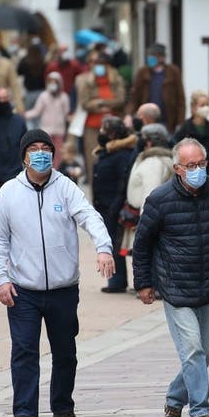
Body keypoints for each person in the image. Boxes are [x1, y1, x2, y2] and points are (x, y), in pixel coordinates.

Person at [0, 128, 116, 417]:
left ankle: (63, 408)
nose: (41, 152)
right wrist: (1, 279)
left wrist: (103, 248)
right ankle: (25, 414)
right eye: (34, 148)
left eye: (46, 147)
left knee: (65, 351)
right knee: (24, 351)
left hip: (62, 289)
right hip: (23, 290)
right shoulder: (9, 192)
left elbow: (89, 216)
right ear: (24, 156)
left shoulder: (66, 188)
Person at [132, 137, 209, 417]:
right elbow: (142, 246)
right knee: (193, 349)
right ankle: (200, 411)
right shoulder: (159, 200)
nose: (197, 170)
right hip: (175, 288)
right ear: (177, 168)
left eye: (201, 164)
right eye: (190, 165)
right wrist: (144, 283)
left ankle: (174, 399)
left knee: (203, 351)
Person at [120, 123, 174, 262]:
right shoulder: (155, 159)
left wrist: (144, 227)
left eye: (142, 137)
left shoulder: (153, 163)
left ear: (149, 141)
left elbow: (150, 195)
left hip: (146, 221)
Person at [92, 116, 133, 293]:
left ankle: (117, 281)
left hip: (113, 206)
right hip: (104, 205)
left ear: (114, 134)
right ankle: (115, 280)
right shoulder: (104, 152)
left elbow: (122, 183)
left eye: (104, 130)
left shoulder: (122, 155)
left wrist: (115, 206)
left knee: (116, 245)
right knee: (112, 243)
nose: (100, 133)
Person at [75, 50, 125, 195]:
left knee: (114, 158)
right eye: (96, 64)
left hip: (113, 128)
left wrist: (100, 102)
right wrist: (101, 104)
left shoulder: (116, 80)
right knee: (93, 160)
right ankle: (95, 192)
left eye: (102, 64)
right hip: (92, 126)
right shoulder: (86, 80)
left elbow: (120, 100)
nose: (99, 67)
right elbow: (84, 102)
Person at [126, 43, 186, 134]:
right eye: (149, 56)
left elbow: (180, 99)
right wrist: (129, 115)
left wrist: (180, 123)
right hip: (146, 120)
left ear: (162, 58)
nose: (150, 59)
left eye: (153, 56)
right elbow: (134, 97)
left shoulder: (173, 72)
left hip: (168, 121)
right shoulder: (142, 73)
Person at [174, 90, 209, 178]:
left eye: (207, 105)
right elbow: (176, 155)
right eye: (202, 105)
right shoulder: (184, 130)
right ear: (194, 107)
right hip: (189, 176)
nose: (206, 108)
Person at [24, 71, 70, 167]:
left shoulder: (64, 97)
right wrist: (25, 115)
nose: (52, 85)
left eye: (55, 82)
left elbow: (66, 113)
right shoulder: (44, 96)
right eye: (50, 82)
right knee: (46, 153)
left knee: (58, 154)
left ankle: (56, 172)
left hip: (59, 130)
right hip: (46, 130)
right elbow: (36, 111)